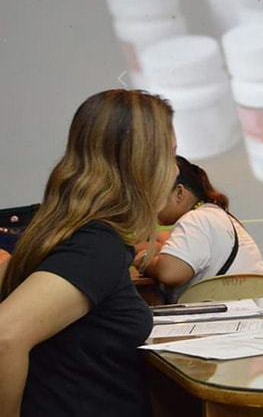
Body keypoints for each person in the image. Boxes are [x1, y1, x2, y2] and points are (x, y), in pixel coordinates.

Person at [0, 89, 178, 417]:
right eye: (171, 155)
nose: (176, 171)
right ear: (145, 164)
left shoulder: (67, 233)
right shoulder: (97, 245)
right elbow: (5, 336)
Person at [136, 155, 263, 303]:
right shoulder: (215, 215)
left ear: (179, 193)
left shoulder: (195, 219)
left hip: (221, 321)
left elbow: (170, 272)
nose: (149, 204)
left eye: (154, 195)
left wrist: (145, 261)